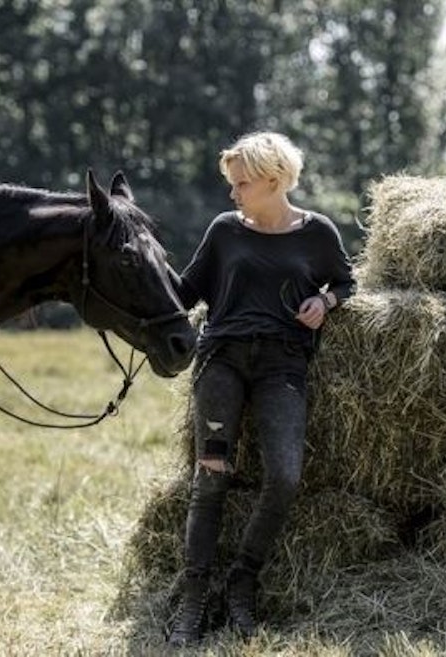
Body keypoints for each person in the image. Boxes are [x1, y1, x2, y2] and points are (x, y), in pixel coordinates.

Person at [166, 132, 355, 645]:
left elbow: (346, 281)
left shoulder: (318, 233)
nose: (233, 194)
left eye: (241, 184)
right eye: (232, 185)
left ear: (273, 181)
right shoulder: (224, 230)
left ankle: (242, 582)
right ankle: (193, 598)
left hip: (282, 367)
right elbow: (184, 291)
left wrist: (326, 302)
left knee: (285, 477)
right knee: (211, 477)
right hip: (221, 361)